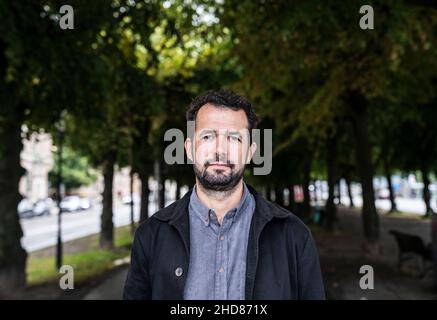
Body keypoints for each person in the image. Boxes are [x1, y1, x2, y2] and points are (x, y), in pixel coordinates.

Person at [123, 89, 325, 300]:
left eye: (234, 138)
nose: (220, 150)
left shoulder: (294, 236)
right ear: (189, 149)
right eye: (208, 136)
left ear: (250, 152)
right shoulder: (151, 236)